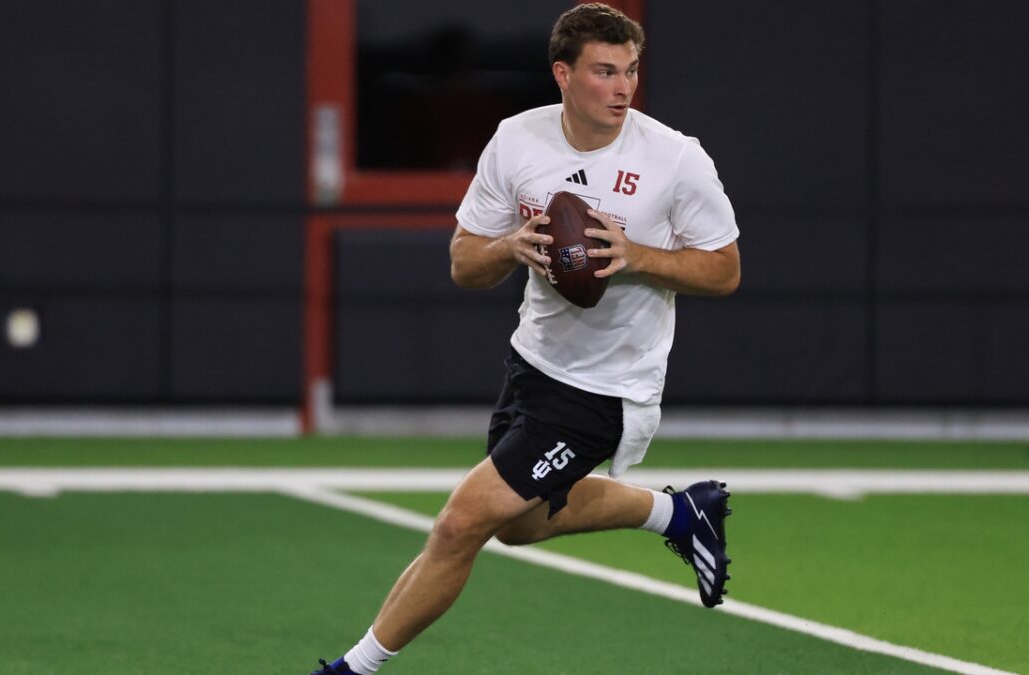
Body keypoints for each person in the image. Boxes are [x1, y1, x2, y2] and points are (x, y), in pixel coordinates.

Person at [314, 4, 739, 673]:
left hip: (608, 385)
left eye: (629, 70)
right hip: (534, 363)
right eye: (605, 71)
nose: (622, 86)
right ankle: (680, 514)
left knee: (461, 523)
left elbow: (725, 269)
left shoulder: (675, 159)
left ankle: (350, 668)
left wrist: (638, 254)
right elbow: (463, 262)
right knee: (516, 525)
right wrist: (511, 245)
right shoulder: (517, 141)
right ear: (563, 74)